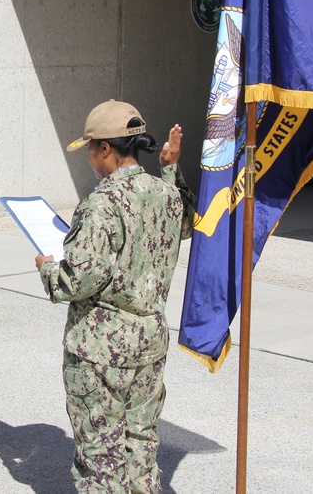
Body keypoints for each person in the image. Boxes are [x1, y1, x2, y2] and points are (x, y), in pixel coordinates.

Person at [35, 99, 195, 493]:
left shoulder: (102, 203)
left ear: (106, 149)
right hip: (149, 341)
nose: (89, 158)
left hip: (101, 349)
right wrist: (170, 167)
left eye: (91, 149)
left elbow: (77, 280)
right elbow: (184, 224)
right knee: (141, 442)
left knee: (100, 452)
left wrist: (47, 267)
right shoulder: (165, 193)